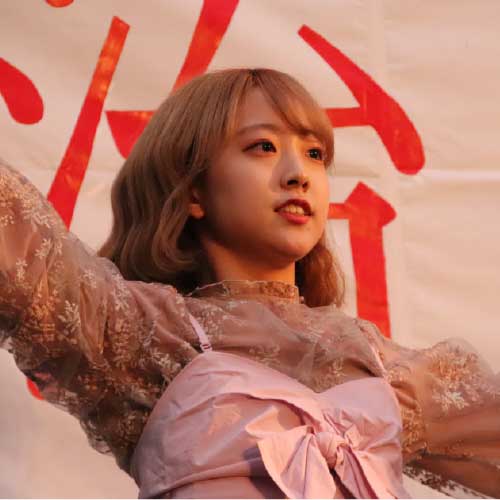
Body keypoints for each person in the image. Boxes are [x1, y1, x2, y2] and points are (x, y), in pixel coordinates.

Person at [0, 68, 499, 499]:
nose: (298, 174)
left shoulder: (380, 364)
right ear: (194, 191)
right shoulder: (146, 334)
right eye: (263, 147)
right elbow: (21, 241)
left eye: (314, 153)